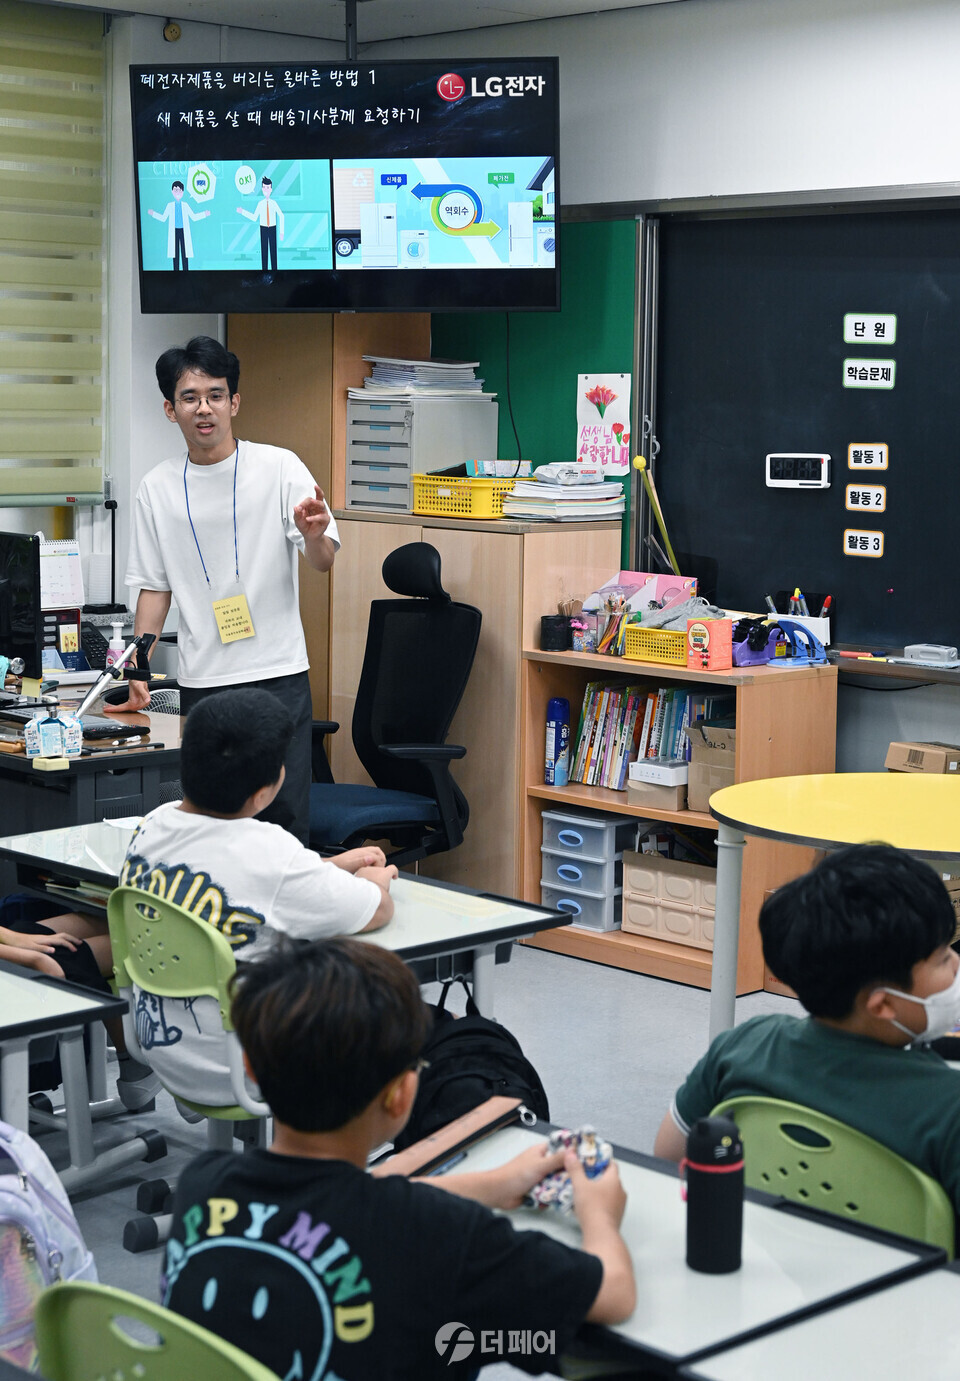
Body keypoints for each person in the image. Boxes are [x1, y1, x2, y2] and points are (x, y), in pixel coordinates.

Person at [161, 938, 635, 1379]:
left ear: (250, 1069)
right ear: (403, 1094)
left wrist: (494, 1182)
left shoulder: (203, 1184)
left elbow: (350, 1203)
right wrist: (600, 1215)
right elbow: (613, 1295)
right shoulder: (441, 1235)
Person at [119, 688, 396, 1108]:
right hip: (251, 1068)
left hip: (167, 1053)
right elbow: (376, 910)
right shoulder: (268, 850)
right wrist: (376, 878)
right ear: (265, 792)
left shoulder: (153, 824)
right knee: (393, 1010)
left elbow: (245, 882)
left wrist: (328, 867)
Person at [113, 334, 336, 842]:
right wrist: (138, 666)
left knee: (282, 823)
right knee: (210, 823)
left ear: (234, 401)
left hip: (277, 676)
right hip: (203, 681)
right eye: (190, 398)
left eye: (216, 394)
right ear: (171, 410)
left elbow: (322, 562)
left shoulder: (279, 467)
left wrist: (315, 535)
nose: (204, 408)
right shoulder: (157, 486)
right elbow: (154, 587)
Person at [654, 843, 960, 1213]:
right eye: (944, 957)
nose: (957, 964)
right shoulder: (948, 1105)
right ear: (883, 1005)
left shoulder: (743, 1047)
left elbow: (668, 1157)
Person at [147, 180, 210, 271]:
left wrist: (204, 214)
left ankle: (186, 273)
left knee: (185, 254)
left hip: (184, 231)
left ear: (182, 192)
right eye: (175, 190)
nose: (178, 192)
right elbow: (163, 217)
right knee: (175, 254)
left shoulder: (185, 205)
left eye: (179, 190)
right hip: (174, 232)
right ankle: (175, 275)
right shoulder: (170, 205)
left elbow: (194, 217)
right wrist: (153, 214)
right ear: (172, 191)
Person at [236, 175, 284, 272]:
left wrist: (281, 232)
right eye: (265, 187)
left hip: (272, 228)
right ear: (262, 189)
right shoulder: (260, 204)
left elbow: (281, 215)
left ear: (271, 189)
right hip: (263, 228)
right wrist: (243, 212)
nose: (266, 190)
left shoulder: (273, 203)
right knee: (264, 252)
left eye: (268, 187)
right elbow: (254, 217)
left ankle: (275, 272)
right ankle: (264, 272)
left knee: (273, 251)